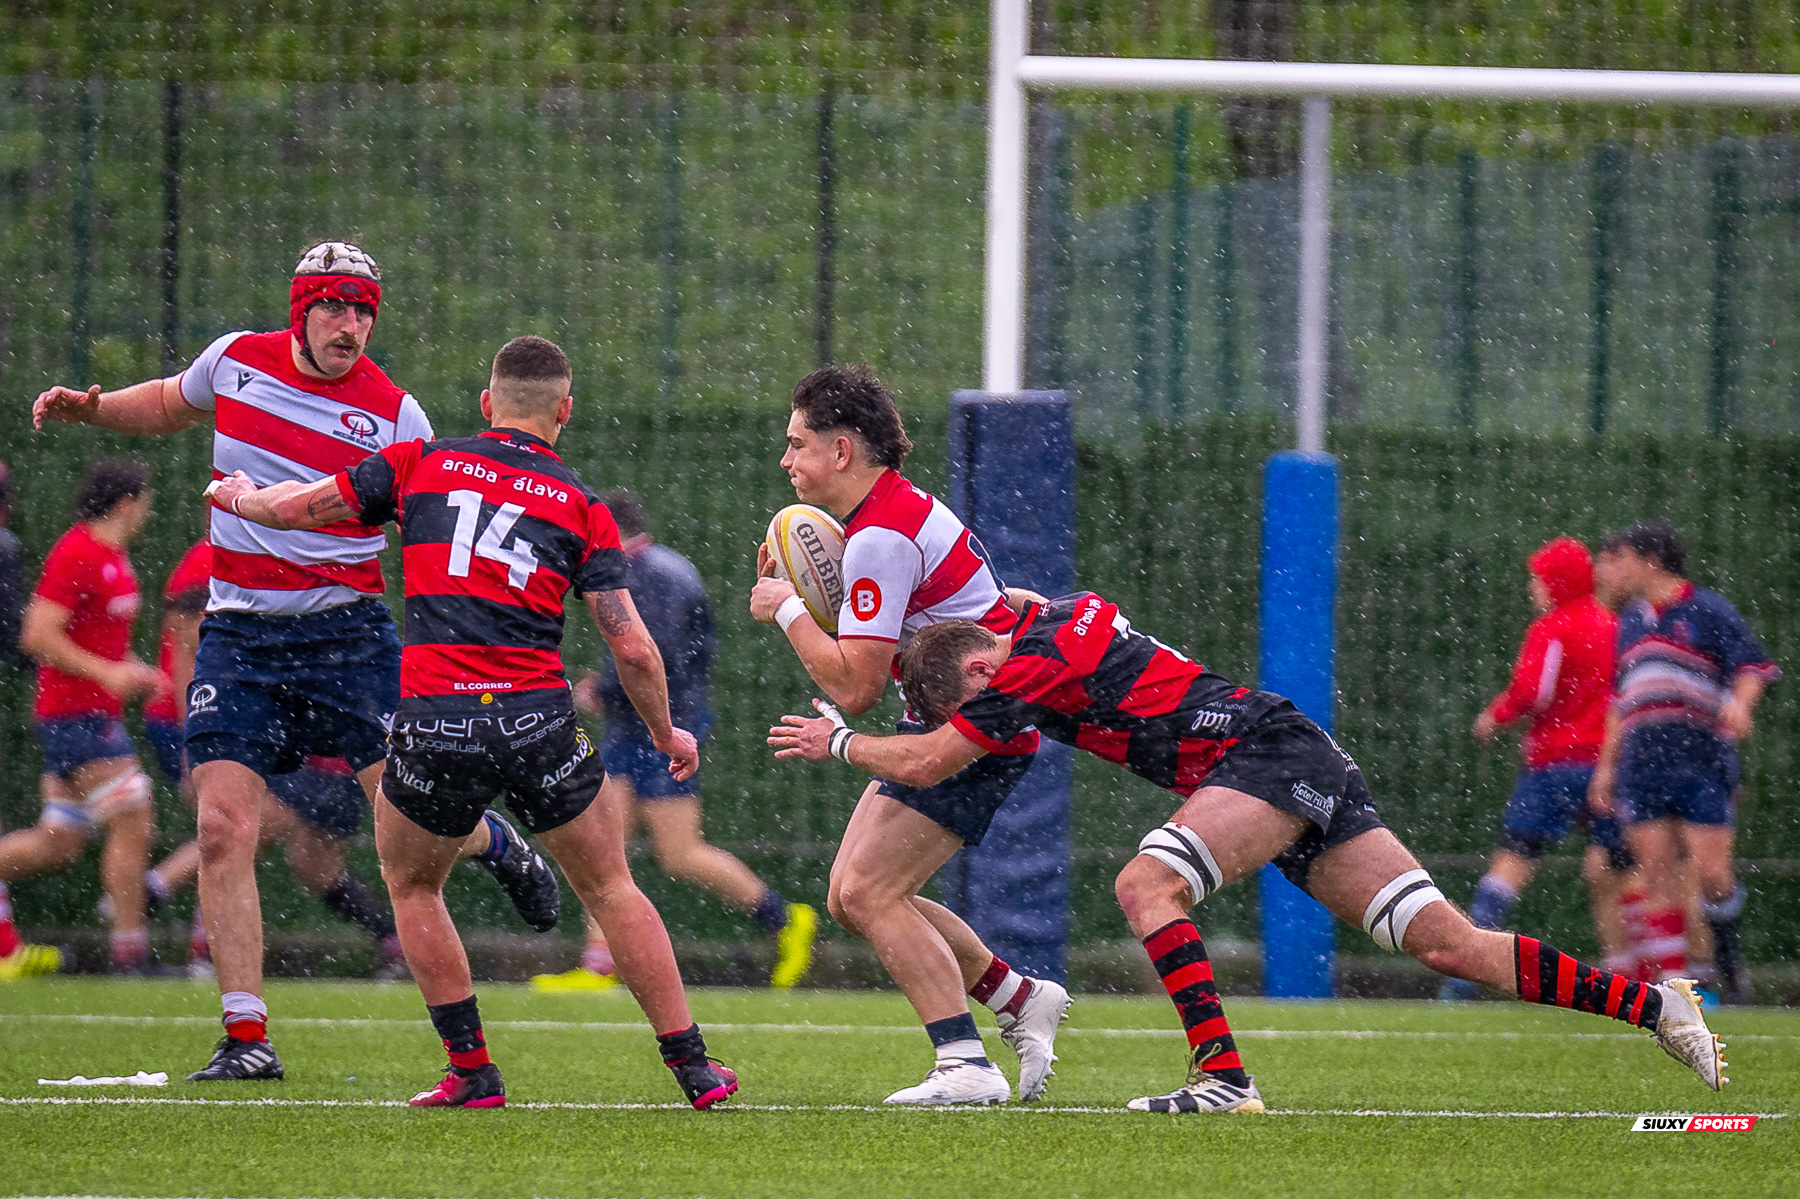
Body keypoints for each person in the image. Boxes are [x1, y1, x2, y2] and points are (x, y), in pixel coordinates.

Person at [771, 589, 1730, 1112]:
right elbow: (982, 618)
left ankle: (1223, 1076)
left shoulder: (1016, 667)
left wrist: (840, 738)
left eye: (974, 698)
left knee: (1146, 882)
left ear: (984, 668)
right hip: (1289, 751)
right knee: (1447, 942)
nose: (981, 718)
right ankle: (1658, 1005)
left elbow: (937, 759)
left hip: (1260, 753)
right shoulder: (1040, 615)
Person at [32, 241, 558, 1080]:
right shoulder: (236, 361)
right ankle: (247, 1038)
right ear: (301, 309)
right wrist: (93, 410)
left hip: (348, 637)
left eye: (364, 312)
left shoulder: (397, 414)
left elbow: (427, 523)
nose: (351, 326)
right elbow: (169, 404)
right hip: (239, 637)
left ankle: (493, 842)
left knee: (408, 821)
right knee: (218, 826)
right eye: (336, 308)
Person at [208, 335, 737, 1111]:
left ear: (487, 405)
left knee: (413, 884)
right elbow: (633, 648)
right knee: (612, 885)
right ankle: (693, 1066)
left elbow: (295, 509)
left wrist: (239, 496)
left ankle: (471, 1068)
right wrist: (666, 733)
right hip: (538, 721)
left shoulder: (416, 462)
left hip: (432, 721)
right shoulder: (582, 506)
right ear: (565, 412)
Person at [747, 364, 1069, 1106]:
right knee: (850, 893)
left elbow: (854, 686)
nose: (787, 459)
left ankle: (964, 1061)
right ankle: (1017, 997)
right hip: (958, 715)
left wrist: (789, 608)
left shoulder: (879, 538)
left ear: (841, 450)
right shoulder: (887, 516)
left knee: (868, 891)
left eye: (798, 444)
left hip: (972, 728)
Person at [535, 488, 817, 994]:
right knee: (604, 848)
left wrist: (602, 689)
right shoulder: (652, 569)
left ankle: (785, 918)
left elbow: (655, 655)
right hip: (636, 728)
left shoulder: (651, 574)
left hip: (663, 731)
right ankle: (600, 964)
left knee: (680, 854)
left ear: (607, 529)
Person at [1591, 520, 1778, 1004]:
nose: (1613, 568)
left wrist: (1740, 704)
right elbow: (1621, 700)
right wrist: (1607, 767)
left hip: (1701, 762)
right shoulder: (1629, 622)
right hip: (1643, 763)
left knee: (1713, 877)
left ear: (1652, 560)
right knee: (1656, 877)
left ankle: (1729, 965)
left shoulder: (1707, 609)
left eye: (1622, 557)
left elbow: (1753, 666)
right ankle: (1681, 990)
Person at [1441, 537, 1629, 1001]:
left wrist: (1494, 717)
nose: (1532, 588)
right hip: (1609, 765)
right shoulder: (1616, 626)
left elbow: (1533, 692)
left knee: (1511, 863)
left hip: (1554, 764)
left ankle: (1465, 970)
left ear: (1556, 582)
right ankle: (1634, 977)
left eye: (1538, 579)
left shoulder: (1553, 627)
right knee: (1614, 871)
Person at [0, 461, 164, 976]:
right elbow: (37, 635)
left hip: (87, 713)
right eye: (146, 500)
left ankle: (127, 947)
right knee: (134, 816)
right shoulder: (78, 552)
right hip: (75, 715)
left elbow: (98, 640)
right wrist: (108, 674)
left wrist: (135, 671)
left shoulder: (113, 556)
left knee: (59, 844)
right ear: (126, 503)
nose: (149, 510)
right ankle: (129, 952)